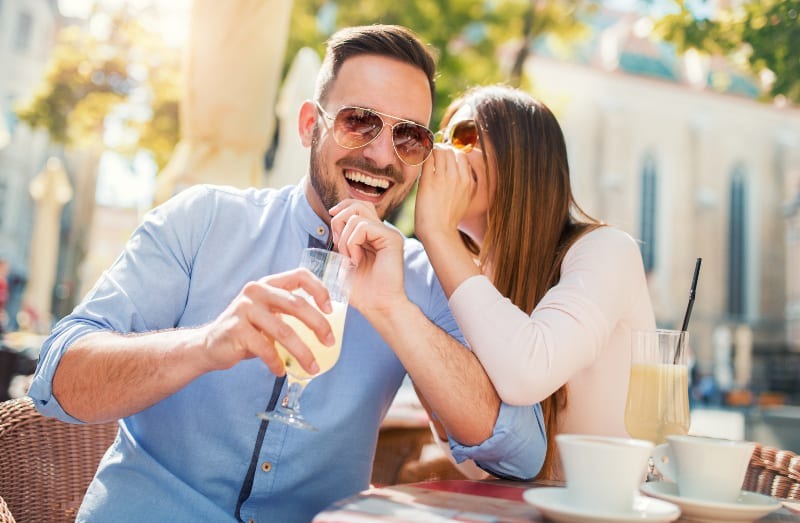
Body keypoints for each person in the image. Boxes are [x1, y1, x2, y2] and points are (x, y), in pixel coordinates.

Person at [28, 27, 546, 522]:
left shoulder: (420, 280)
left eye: (408, 137)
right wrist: (205, 345)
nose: (381, 154)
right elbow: (56, 378)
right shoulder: (203, 219)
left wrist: (394, 310)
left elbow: (520, 453)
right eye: (357, 121)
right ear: (308, 125)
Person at [413, 84, 656, 480]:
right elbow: (481, 466)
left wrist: (436, 233)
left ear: (523, 158)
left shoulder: (607, 251)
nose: (443, 153)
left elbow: (526, 373)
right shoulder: (468, 279)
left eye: (464, 136)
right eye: (441, 140)